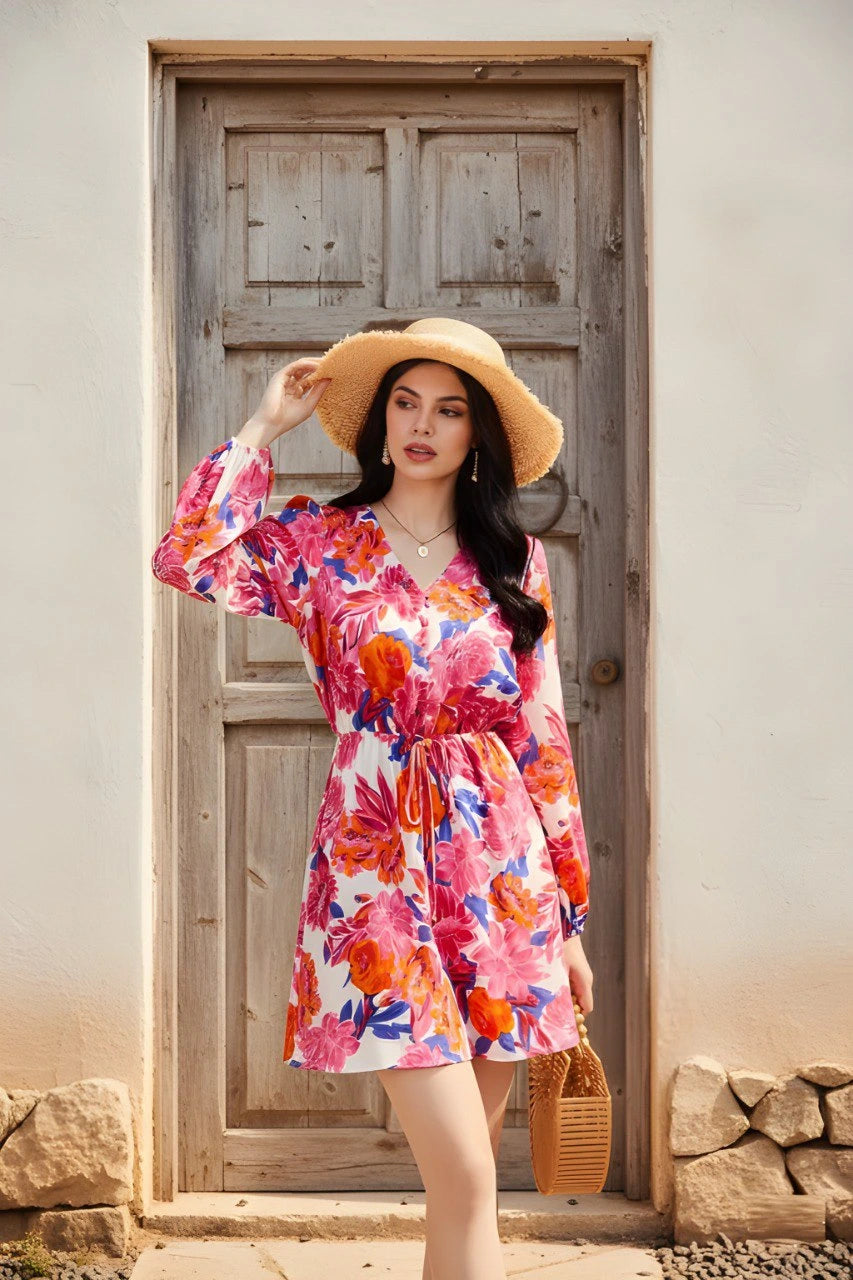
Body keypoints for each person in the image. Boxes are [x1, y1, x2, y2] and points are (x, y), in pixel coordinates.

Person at [152, 317, 593, 1280]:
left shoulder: (516, 562)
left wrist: (567, 922)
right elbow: (186, 557)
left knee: (460, 1188)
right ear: (380, 419)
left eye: (448, 409)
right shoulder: (320, 540)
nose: (422, 426)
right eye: (405, 402)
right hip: (372, 859)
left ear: (480, 435)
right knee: (470, 1180)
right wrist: (261, 432)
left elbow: (542, 738)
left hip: (500, 868)